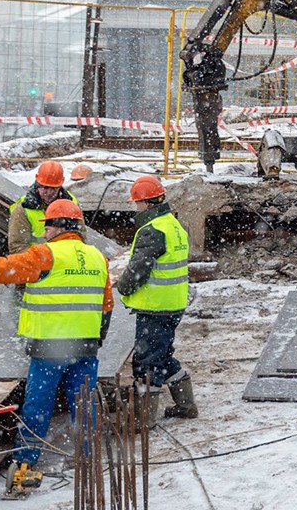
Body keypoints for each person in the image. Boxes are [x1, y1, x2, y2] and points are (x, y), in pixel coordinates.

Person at [0, 199, 113, 477]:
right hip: (86, 347)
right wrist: (96, 338)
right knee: (84, 405)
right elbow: (107, 306)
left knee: (38, 406)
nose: (44, 232)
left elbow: (7, 267)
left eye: (47, 226)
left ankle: (26, 458)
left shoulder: (46, 254)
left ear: (57, 227)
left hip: (49, 347)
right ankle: (87, 457)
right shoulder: (97, 257)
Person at [116, 175, 197, 425]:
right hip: (172, 304)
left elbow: (138, 270)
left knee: (147, 362)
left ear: (147, 204)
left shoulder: (152, 230)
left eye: (137, 204)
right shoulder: (172, 224)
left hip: (156, 307)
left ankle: (143, 420)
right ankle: (186, 405)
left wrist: (122, 286)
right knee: (161, 355)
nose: (136, 208)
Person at [8, 161, 77, 254]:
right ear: (37, 185)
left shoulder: (71, 203)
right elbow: (17, 246)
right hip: (37, 264)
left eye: (53, 188)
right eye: (45, 187)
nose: (49, 193)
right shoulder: (23, 209)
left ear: (60, 186)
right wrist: (44, 260)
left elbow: (80, 237)